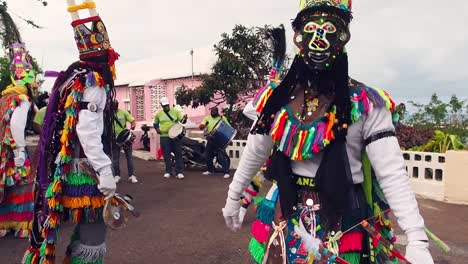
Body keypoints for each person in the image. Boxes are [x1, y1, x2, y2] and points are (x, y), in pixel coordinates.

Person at [222, 1, 434, 263]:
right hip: (286, 212)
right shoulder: (276, 99)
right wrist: (235, 195)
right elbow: (256, 150)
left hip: (344, 218)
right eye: (311, 28)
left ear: (343, 36)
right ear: (298, 37)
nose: (319, 39)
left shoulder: (365, 102)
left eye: (329, 28)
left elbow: (391, 172)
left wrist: (416, 237)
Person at [23, 2, 119, 263]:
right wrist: (105, 170)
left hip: (66, 165)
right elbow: (87, 131)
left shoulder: (74, 75)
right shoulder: (94, 82)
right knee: (94, 234)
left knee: (80, 230)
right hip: (83, 170)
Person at [0, 43, 37, 238]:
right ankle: (19, 225)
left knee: (6, 187)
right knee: (22, 185)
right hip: (12, 151)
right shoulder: (22, 98)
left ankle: (3, 225)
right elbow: (16, 125)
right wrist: (20, 151)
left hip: (3, 150)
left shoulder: (6, 95)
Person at [154, 97, 185, 179]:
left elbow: (182, 121)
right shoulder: (159, 114)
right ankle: (168, 171)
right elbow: (155, 124)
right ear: (161, 105)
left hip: (175, 136)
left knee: (178, 153)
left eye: (167, 105)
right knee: (166, 154)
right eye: (164, 106)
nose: (166, 107)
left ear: (169, 104)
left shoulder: (175, 112)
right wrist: (157, 129)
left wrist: (185, 119)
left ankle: (179, 172)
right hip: (164, 136)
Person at [199, 107, 231, 179]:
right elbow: (201, 126)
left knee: (221, 156)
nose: (212, 113)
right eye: (211, 112)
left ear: (217, 112)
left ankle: (226, 172)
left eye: (214, 112)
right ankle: (210, 170)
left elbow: (229, 127)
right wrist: (202, 126)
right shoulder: (207, 118)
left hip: (220, 140)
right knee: (207, 156)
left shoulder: (222, 118)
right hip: (211, 139)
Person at [112, 100, 138, 183]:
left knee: (129, 157)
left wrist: (133, 126)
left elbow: (132, 121)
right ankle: (117, 175)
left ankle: (131, 175)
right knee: (115, 159)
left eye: (115, 106)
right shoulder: (108, 114)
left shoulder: (123, 112)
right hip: (114, 139)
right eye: (113, 106)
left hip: (125, 137)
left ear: (117, 105)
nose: (114, 107)